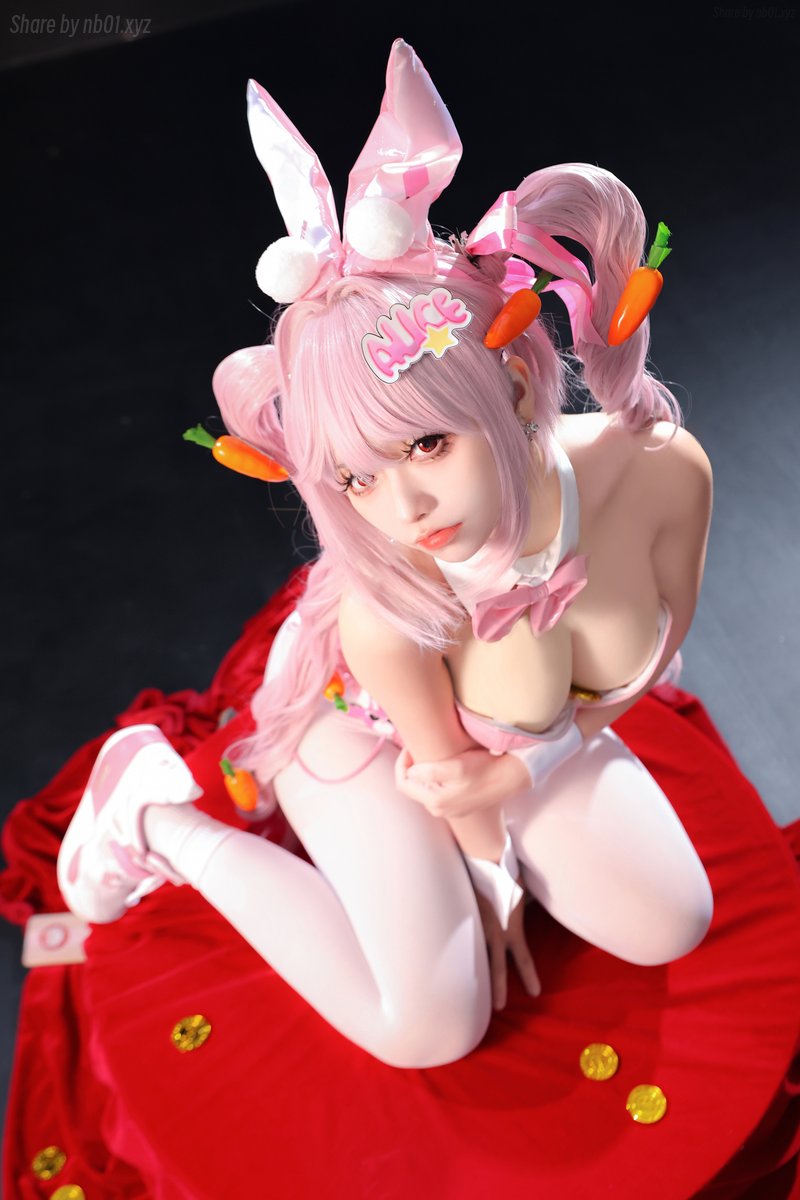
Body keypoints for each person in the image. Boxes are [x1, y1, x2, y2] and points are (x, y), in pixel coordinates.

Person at [57, 39, 714, 1070]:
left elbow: (651, 650)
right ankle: (148, 813)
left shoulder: (660, 470)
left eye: (427, 445)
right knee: (432, 1027)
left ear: (508, 384)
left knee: (670, 921)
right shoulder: (387, 599)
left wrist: (536, 762)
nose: (403, 509)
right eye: (355, 478)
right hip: (362, 727)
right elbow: (450, 785)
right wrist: (492, 888)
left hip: (513, 741)